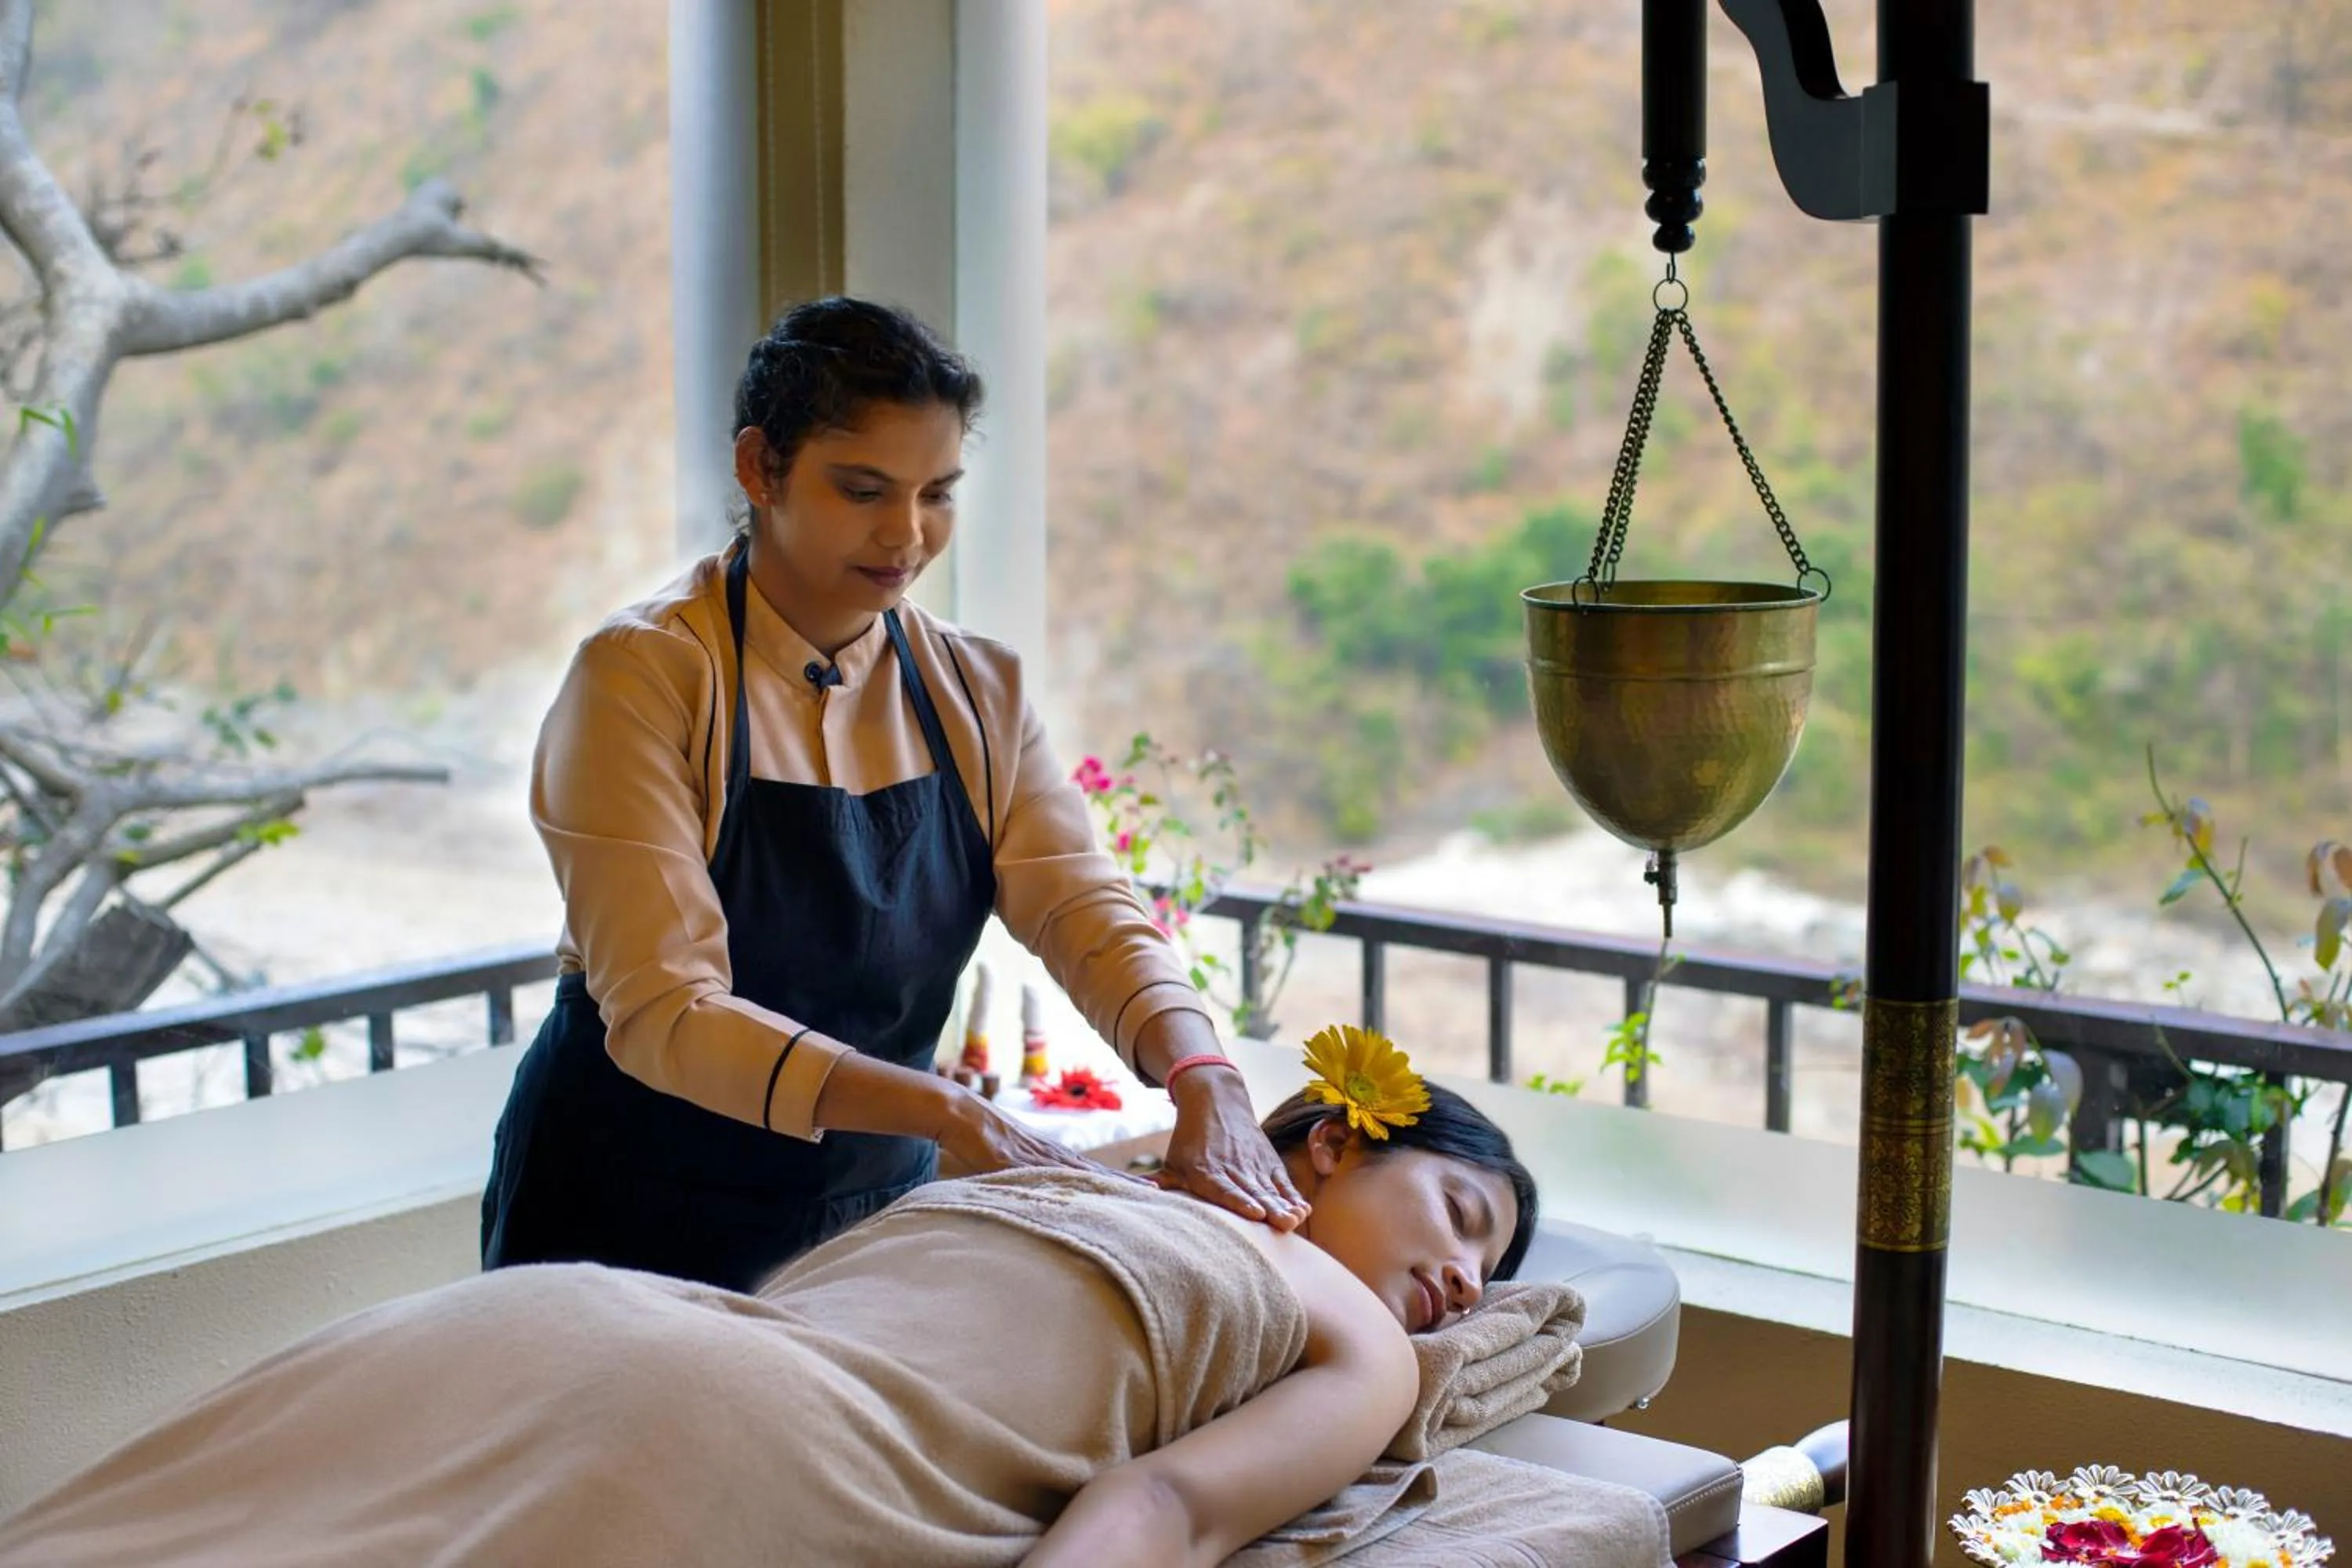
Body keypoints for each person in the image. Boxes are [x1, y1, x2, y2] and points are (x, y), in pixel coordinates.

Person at [479, 296, 1305, 1292]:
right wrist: (943, 1109)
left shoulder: (975, 688)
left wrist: (1200, 1071)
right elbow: (666, 1009)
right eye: (863, 488)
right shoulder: (646, 676)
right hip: (628, 1207)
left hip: (873, 1214)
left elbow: (1082, 903)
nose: (907, 535)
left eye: (938, 493)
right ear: (759, 467)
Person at [0, 1044, 1545, 1568]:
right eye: (1468, 1219)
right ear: (1339, 1136)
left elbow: (1172, 1508)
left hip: (716, 1408)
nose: (1467, 1285)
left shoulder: (1352, 1343)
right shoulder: (1081, 1172)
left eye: (1492, 1278)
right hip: (611, 1335)